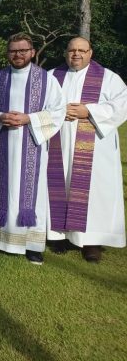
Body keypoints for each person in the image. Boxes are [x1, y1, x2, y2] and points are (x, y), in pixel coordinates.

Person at [0, 33, 65, 264]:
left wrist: (29, 119)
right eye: (13, 51)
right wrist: (0, 116)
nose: (17, 55)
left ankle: (32, 245)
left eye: (22, 50)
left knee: (32, 193)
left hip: (32, 145)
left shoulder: (46, 80)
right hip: (1, 144)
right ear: (7, 53)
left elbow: (58, 111)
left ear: (32, 52)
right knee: (1, 190)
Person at [46, 37, 127, 262]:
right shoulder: (52, 76)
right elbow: (41, 106)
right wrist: (61, 112)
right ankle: (58, 235)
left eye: (82, 50)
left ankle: (91, 241)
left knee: (93, 191)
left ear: (90, 53)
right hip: (58, 143)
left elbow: (122, 105)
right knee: (59, 185)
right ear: (65, 53)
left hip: (95, 148)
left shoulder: (109, 79)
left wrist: (88, 112)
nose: (76, 55)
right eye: (72, 50)